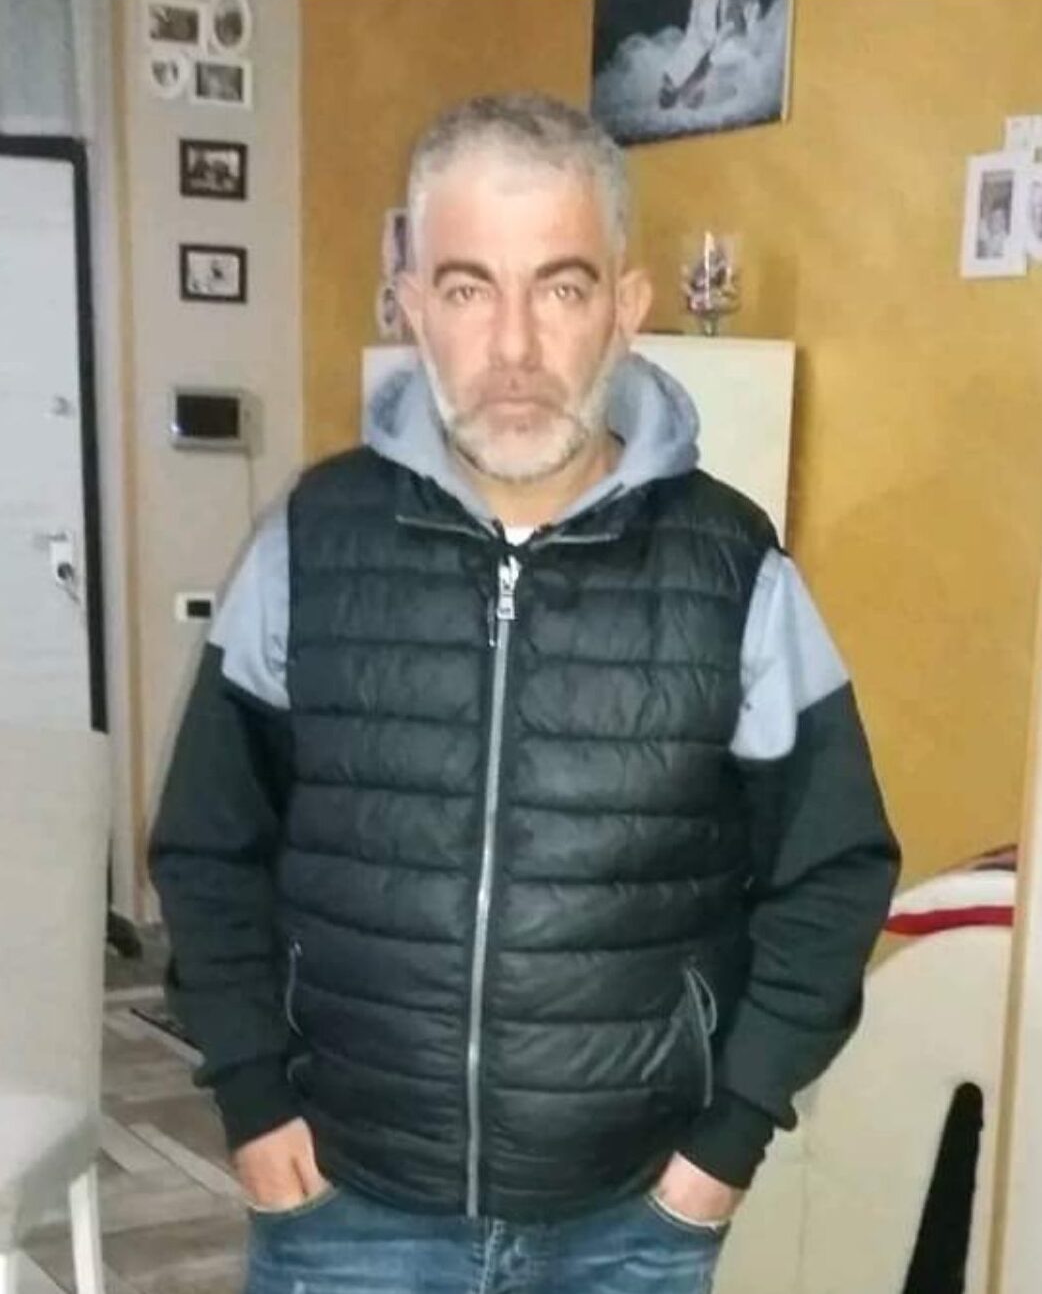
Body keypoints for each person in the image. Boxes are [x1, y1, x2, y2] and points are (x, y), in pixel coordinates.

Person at [150, 92, 900, 1294]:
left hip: (628, 1220)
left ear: (627, 307)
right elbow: (207, 845)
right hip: (346, 1206)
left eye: (560, 286)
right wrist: (250, 1093)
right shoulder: (308, 542)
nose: (512, 345)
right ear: (411, 306)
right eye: (467, 288)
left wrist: (726, 1141)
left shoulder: (735, 569)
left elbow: (834, 871)